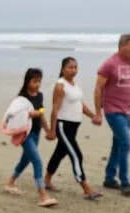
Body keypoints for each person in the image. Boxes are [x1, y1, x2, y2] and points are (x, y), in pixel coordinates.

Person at [43, 57, 102, 200]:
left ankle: (46, 181)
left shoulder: (75, 85)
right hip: (63, 126)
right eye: (70, 67)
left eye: (75, 67)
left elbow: (80, 105)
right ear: (63, 69)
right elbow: (55, 110)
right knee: (77, 155)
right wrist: (52, 130)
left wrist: (93, 116)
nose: (73, 70)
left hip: (74, 127)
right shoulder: (60, 86)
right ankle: (86, 188)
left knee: (59, 153)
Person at [94, 34, 130, 196]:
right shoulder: (110, 64)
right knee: (126, 143)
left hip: (127, 110)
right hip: (113, 110)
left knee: (118, 144)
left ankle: (109, 178)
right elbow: (98, 88)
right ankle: (125, 182)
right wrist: (98, 113)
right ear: (121, 46)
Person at [3, 68, 57, 207]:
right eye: (34, 81)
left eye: (39, 81)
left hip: (36, 133)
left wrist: (49, 130)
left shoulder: (39, 96)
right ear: (27, 81)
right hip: (24, 133)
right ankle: (43, 195)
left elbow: (41, 114)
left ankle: (10, 183)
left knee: (25, 160)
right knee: (37, 162)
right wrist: (28, 114)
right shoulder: (21, 99)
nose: (37, 84)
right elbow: (13, 115)